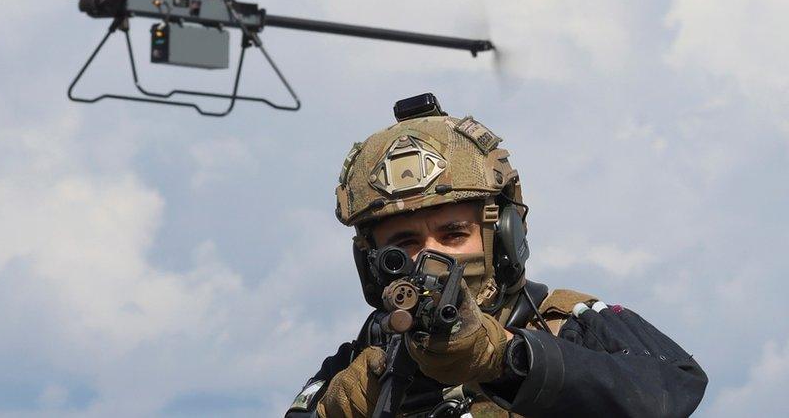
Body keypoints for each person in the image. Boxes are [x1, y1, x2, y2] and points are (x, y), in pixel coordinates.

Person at [285, 94, 707, 418]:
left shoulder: (563, 323)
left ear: (503, 236)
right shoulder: (370, 350)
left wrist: (504, 357)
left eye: (453, 233)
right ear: (372, 260)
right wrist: (347, 406)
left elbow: (674, 388)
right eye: (405, 243)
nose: (430, 255)